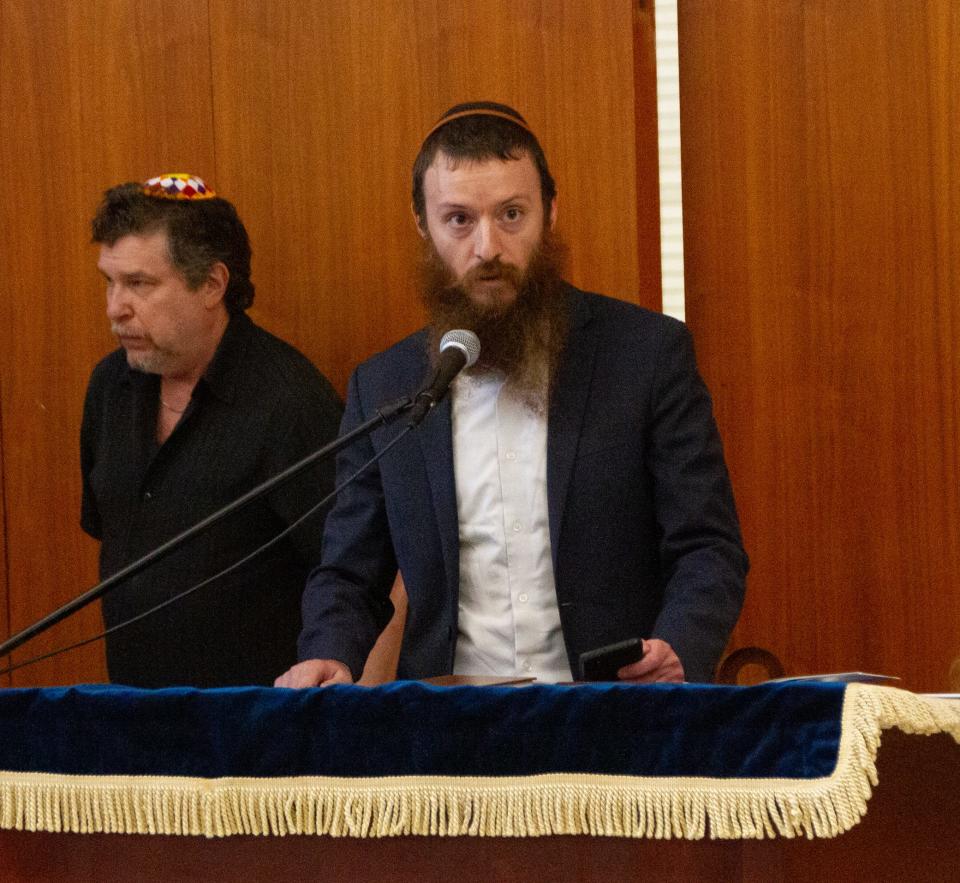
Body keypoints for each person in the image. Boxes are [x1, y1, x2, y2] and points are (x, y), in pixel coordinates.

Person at [276, 103, 747, 688]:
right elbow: (350, 571)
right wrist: (331, 652)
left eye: (512, 214)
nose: (487, 248)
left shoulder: (646, 356)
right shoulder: (388, 388)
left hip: (617, 715)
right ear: (422, 225)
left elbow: (707, 546)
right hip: (453, 733)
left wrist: (679, 645)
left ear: (551, 212)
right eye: (459, 220)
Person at [82, 173, 342, 687]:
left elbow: (355, 569)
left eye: (139, 283)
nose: (115, 307)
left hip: (254, 730)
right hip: (135, 719)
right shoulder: (110, 387)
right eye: (109, 281)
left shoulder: (289, 401)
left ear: (211, 284)